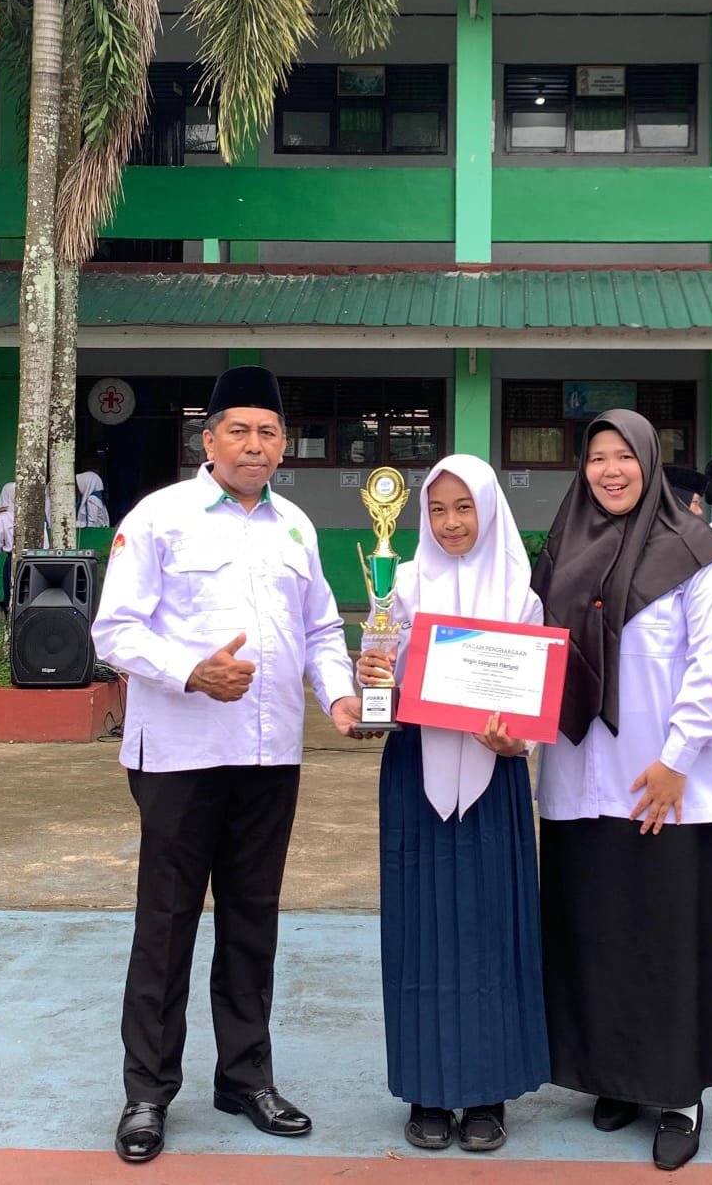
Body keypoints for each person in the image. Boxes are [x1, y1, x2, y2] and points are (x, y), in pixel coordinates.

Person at [91, 365, 362, 1165]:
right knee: (167, 924)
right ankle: (147, 1092)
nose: (254, 445)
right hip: (182, 756)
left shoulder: (296, 528)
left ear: (284, 445)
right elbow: (114, 630)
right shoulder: (160, 517)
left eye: (268, 432)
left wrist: (341, 697)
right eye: (238, 431)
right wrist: (190, 671)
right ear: (206, 440)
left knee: (253, 921)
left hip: (270, 755)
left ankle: (245, 1078)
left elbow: (321, 631)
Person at [533, 409, 712, 1172]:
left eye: (624, 455)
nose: (610, 470)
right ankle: (616, 1077)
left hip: (666, 788)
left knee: (668, 941)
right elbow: (531, 653)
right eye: (597, 457)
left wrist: (676, 758)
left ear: (650, 462)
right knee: (598, 937)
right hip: (581, 781)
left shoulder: (698, 555)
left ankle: (678, 1093)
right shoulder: (562, 550)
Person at [356, 455, 549, 1153]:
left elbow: (532, 699)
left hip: (494, 783)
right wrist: (371, 673)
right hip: (417, 774)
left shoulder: (521, 595)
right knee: (421, 933)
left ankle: (489, 1092)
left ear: (489, 510)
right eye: (437, 509)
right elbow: (379, 686)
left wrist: (517, 739)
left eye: (464, 507)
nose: (451, 522)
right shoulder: (399, 584)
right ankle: (427, 1090)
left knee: (491, 931)